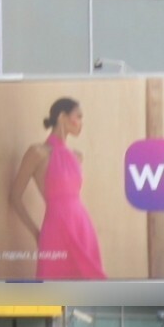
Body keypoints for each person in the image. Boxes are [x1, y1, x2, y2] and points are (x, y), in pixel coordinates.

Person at [11, 96, 107, 281]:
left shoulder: (77, 156)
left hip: (82, 225)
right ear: (63, 117)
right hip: (55, 227)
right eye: (78, 116)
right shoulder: (37, 152)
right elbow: (15, 196)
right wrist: (35, 233)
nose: (81, 123)